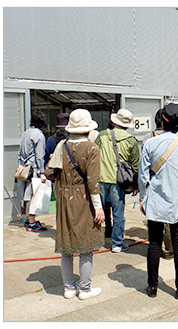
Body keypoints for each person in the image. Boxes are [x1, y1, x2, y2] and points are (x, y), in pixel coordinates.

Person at [138, 103, 178, 299]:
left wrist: (143, 197)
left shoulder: (150, 143)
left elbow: (143, 175)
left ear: (162, 120)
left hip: (155, 200)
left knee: (154, 243)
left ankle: (152, 286)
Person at [46, 109, 104, 300]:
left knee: (66, 246)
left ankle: (69, 288)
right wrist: (99, 207)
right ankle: (85, 289)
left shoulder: (61, 146)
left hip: (63, 198)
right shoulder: (91, 148)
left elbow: (49, 173)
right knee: (86, 247)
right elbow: (93, 183)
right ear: (88, 129)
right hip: (83, 199)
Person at [95, 109, 140, 253]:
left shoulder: (102, 135)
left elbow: (94, 154)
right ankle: (117, 244)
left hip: (100, 179)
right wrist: (135, 185)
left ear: (114, 122)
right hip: (119, 182)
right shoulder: (131, 141)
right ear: (127, 125)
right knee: (118, 213)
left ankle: (94, 241)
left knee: (97, 211)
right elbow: (135, 165)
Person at [144, 108, 175, 258]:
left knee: (154, 219)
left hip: (153, 183)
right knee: (167, 219)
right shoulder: (175, 139)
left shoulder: (148, 138)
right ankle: (169, 249)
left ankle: (155, 248)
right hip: (169, 183)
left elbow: (144, 165)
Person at [17, 110, 48, 232]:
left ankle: (26, 219)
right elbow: (39, 156)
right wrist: (42, 172)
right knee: (32, 195)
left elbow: (20, 151)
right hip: (33, 169)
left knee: (24, 193)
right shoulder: (39, 135)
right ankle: (32, 222)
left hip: (23, 168)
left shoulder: (26, 133)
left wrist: (20, 165)